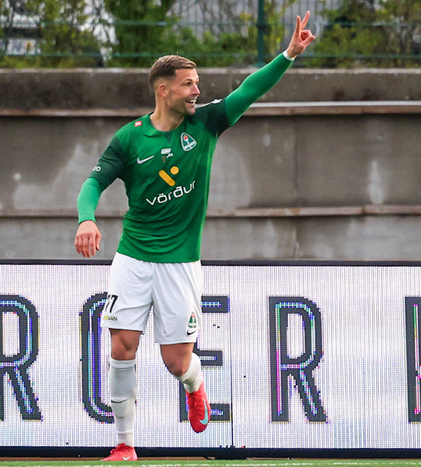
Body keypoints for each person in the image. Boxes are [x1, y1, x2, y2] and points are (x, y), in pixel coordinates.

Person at [74, 11, 315, 462]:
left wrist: (288, 54)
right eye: (188, 84)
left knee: (176, 362)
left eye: (197, 83)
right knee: (121, 349)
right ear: (163, 89)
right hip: (132, 257)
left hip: (180, 262)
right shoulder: (129, 139)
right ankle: (124, 444)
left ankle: (194, 384)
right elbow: (93, 183)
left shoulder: (206, 124)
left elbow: (249, 90)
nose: (197, 90)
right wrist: (87, 219)